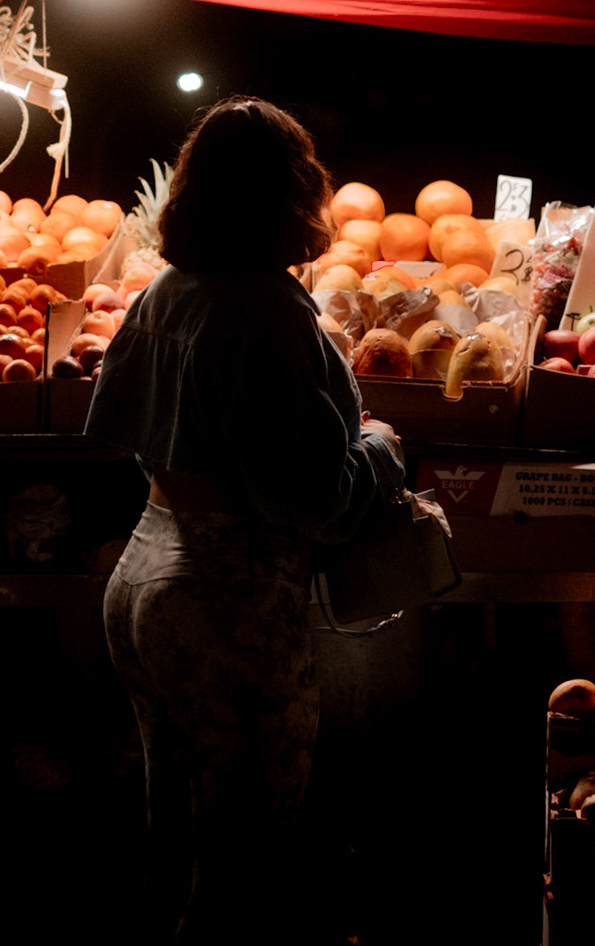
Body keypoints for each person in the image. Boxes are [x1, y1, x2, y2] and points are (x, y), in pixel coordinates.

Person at [86, 96, 405, 943]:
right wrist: (379, 447)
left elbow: (112, 421)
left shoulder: (166, 292)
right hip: (228, 603)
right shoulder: (269, 312)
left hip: (143, 572)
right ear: (295, 194)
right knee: (243, 865)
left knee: (174, 840)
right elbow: (316, 502)